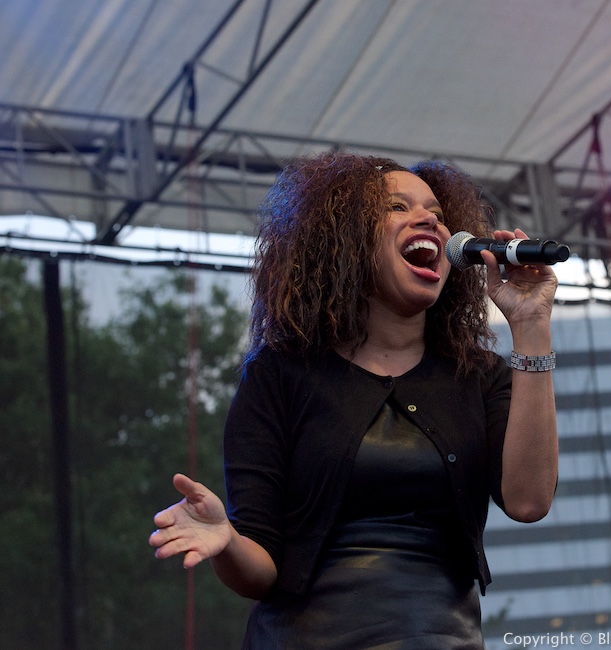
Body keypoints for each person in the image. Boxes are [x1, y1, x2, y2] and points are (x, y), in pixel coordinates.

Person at [149, 152, 559, 648]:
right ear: (345, 242)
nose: (429, 218)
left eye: (435, 211)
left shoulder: (477, 376)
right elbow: (258, 571)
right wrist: (227, 543)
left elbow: (530, 501)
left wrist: (531, 325)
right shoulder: (281, 375)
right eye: (396, 207)